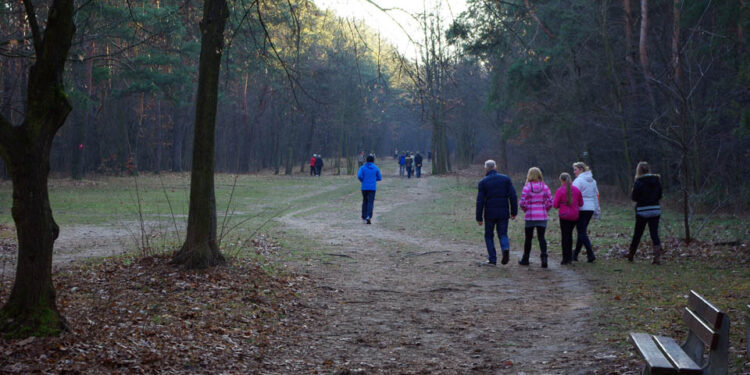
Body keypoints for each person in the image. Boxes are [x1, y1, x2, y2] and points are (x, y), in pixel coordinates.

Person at [476, 160, 518, 266]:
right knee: (503, 234)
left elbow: (480, 201)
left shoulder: (483, 182)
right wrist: (514, 211)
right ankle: (505, 249)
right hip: (503, 212)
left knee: (489, 235)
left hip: (489, 213)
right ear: (496, 167)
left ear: (486, 168)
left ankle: (492, 259)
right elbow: (513, 196)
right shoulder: (505, 179)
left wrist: (479, 217)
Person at [626, 161, 663, 264]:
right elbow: (660, 195)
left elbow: (634, 198)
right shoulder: (657, 181)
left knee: (637, 233)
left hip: (642, 210)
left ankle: (631, 255)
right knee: (654, 234)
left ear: (639, 170)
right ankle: (657, 258)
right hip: (655, 210)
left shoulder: (638, 182)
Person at [518, 167, 552, 268]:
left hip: (530, 216)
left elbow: (522, 202)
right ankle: (544, 258)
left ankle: (525, 259)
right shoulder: (545, 187)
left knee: (528, 238)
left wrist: (526, 209)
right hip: (542, 215)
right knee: (541, 237)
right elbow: (550, 201)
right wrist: (545, 209)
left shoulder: (527, 187)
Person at [572, 162, 600, 263]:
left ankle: (590, 253)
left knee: (581, 232)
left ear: (581, 169)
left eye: (575, 169)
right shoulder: (593, 181)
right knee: (581, 231)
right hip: (590, 208)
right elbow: (596, 196)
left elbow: (574, 195)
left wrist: (572, 208)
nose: (574, 172)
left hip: (581, 208)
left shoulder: (578, 181)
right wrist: (597, 210)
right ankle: (575, 254)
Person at [553, 172, 583, 265]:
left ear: (561, 180)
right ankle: (570, 257)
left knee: (565, 236)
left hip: (564, 216)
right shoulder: (577, 190)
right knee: (569, 236)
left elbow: (555, 205)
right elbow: (581, 203)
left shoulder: (560, 190)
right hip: (574, 216)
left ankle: (565, 258)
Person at [357, 155, 382, 224]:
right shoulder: (376, 168)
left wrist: (363, 180)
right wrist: (374, 179)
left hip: (364, 187)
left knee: (365, 201)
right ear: (373, 160)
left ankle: (364, 216)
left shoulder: (362, 168)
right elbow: (379, 178)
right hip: (372, 188)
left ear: (366, 160)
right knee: (370, 202)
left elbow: (359, 176)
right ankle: (369, 216)